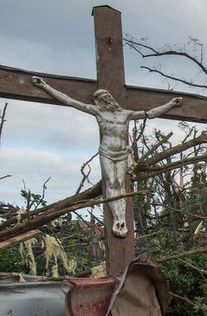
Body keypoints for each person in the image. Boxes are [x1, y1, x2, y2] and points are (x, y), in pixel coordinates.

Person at [30, 76, 182, 238]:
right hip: (107, 152)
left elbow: (150, 114)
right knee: (110, 182)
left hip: (122, 152)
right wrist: (46, 86)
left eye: (106, 98)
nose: (104, 102)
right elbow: (69, 101)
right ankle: (116, 218)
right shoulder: (98, 112)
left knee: (120, 183)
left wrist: (171, 104)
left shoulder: (126, 114)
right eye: (101, 100)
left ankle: (122, 219)